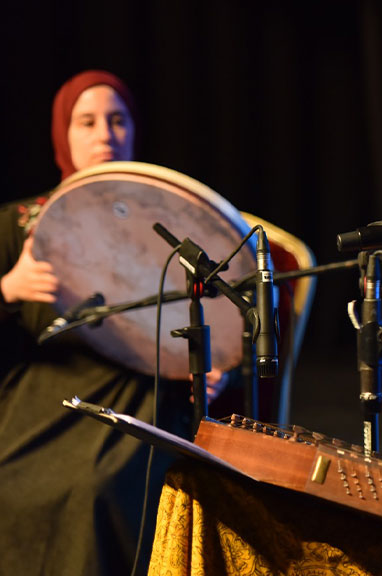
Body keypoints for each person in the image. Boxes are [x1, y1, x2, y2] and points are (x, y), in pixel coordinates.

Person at [0, 70, 194, 575]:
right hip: (38, 395)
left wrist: (212, 368)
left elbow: (211, 308)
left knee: (93, 489)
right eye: (86, 122)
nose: (105, 134)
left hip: (137, 393)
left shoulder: (162, 222)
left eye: (117, 120)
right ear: (63, 133)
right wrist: (9, 289)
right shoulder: (17, 221)